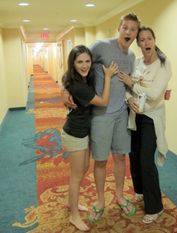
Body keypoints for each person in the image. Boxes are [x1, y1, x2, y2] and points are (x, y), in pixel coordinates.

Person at [62, 13, 141, 222]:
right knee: (100, 160)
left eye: (133, 29)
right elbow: (77, 64)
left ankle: (119, 195)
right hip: (100, 116)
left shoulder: (132, 57)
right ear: (119, 28)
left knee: (120, 157)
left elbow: (126, 84)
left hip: (121, 115)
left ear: (136, 34)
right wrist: (65, 89)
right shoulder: (101, 46)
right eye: (125, 27)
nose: (128, 32)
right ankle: (99, 200)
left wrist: (131, 97)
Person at [61, 45, 118, 231]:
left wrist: (64, 90)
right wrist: (108, 77)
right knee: (76, 176)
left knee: (83, 169)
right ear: (73, 64)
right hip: (75, 133)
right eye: (80, 62)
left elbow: (65, 79)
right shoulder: (78, 85)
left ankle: (72, 203)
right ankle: (74, 216)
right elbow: (103, 102)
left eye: (87, 61)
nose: (85, 65)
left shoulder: (81, 78)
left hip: (83, 132)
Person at [118, 26, 172, 224]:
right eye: (142, 40)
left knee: (145, 160)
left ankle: (155, 207)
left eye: (149, 38)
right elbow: (125, 87)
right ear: (138, 43)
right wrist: (127, 99)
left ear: (154, 40)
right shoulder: (138, 63)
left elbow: (155, 93)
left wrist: (132, 85)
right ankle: (140, 191)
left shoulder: (164, 64)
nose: (146, 42)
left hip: (151, 117)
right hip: (134, 115)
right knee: (134, 155)